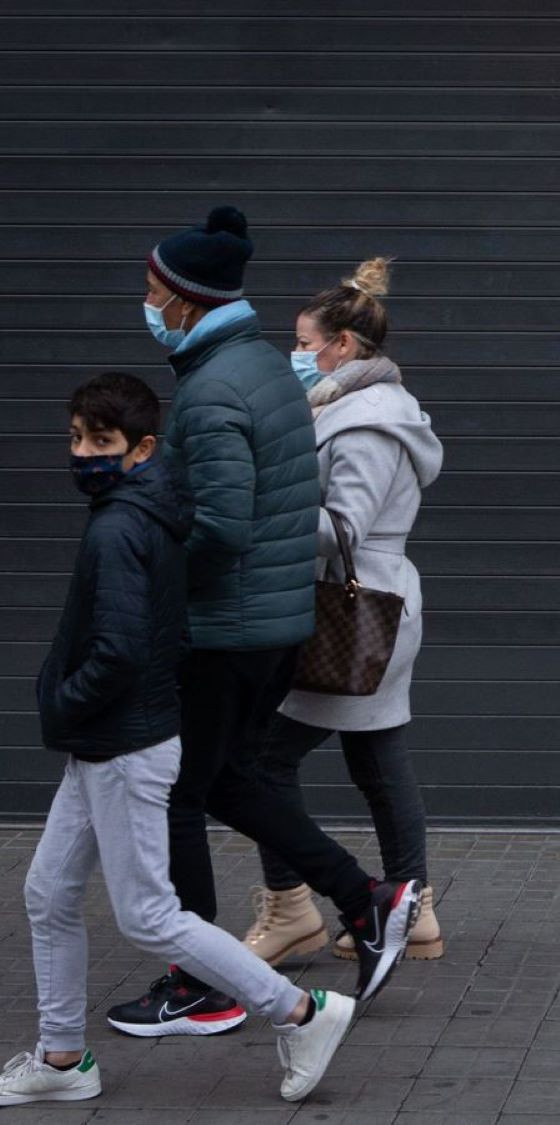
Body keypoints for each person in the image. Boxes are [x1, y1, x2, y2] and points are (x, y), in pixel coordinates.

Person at [108, 208, 422, 1037]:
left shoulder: (213, 389)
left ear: (185, 299)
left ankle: (202, 981)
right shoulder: (258, 368)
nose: (146, 304)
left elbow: (219, 525)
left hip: (226, 626)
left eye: (153, 291)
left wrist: (145, 567)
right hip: (269, 620)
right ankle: (368, 896)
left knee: (182, 791)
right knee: (232, 777)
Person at [1, 375, 354, 1107]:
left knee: (150, 914)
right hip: (115, 738)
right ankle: (64, 1058)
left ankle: (301, 1010)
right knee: (48, 892)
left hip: (123, 745)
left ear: (143, 447)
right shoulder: (146, 509)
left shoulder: (118, 525)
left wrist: (59, 700)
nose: (84, 453)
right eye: (76, 437)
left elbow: (121, 650)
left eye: (102, 441)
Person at [241, 259, 445, 965]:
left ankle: (292, 905)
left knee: (260, 760)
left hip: (353, 610)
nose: (294, 354)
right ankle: (409, 908)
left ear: (344, 347)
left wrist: (262, 508)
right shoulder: (341, 404)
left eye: (304, 342)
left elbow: (344, 528)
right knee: (378, 763)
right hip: (367, 606)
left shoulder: (369, 421)